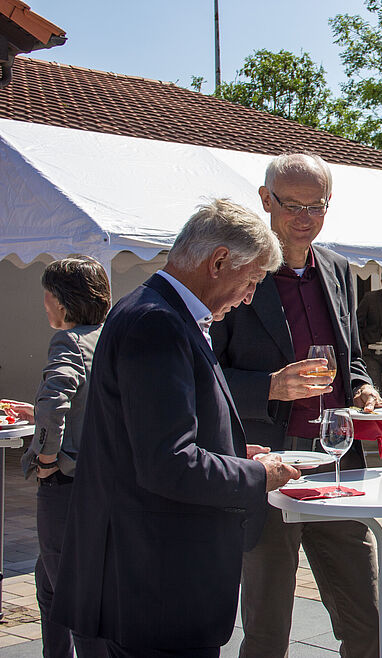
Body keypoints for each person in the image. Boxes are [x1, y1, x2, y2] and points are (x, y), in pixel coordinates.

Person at [51, 199, 301, 656]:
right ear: (219, 261)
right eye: (250, 283)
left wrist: (232, 455)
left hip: (143, 579)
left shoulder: (155, 311)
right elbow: (168, 462)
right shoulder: (158, 323)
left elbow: (147, 438)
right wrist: (257, 476)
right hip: (153, 588)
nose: (247, 298)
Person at [211, 153, 382, 658]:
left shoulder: (339, 269)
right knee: (267, 632)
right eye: (294, 205)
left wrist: (363, 389)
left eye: (318, 206)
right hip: (269, 465)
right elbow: (204, 372)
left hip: (335, 465)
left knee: (367, 621)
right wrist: (268, 386)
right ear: (265, 201)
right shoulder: (237, 271)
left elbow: (349, 360)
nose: (306, 217)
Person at [21, 257, 111, 658]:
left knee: (71, 594)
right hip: (102, 482)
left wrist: (45, 458)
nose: (43, 302)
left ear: (62, 300)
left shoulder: (69, 340)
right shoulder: (108, 337)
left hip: (67, 485)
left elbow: (55, 401)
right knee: (49, 581)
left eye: (48, 293)